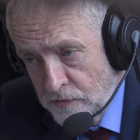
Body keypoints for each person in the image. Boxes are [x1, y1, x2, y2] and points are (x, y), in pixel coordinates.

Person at [0, 0, 140, 140]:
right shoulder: (8, 111)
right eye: (31, 59)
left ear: (119, 45)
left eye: (68, 53)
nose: (52, 84)